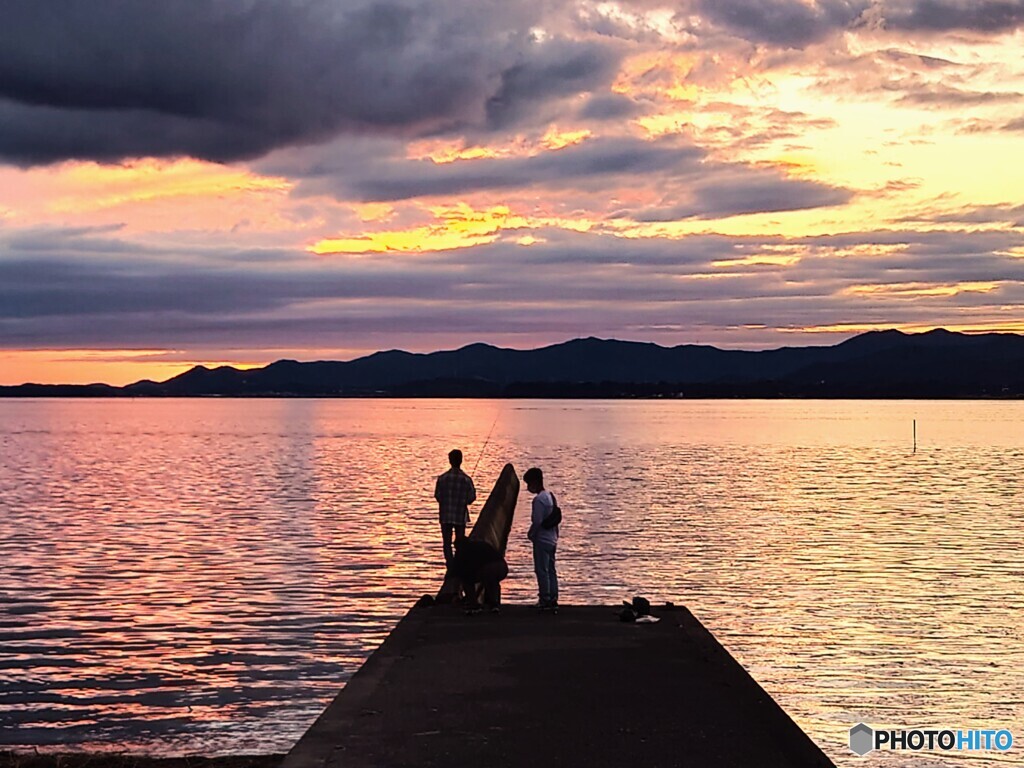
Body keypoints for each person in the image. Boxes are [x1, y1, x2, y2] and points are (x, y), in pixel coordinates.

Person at [524, 466, 558, 613]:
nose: (528, 488)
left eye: (528, 484)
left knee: (541, 570)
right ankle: (553, 598)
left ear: (535, 482)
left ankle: (544, 598)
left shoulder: (538, 500)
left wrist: (531, 534)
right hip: (552, 539)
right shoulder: (550, 496)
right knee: (551, 569)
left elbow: (537, 521)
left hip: (542, 539)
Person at [434, 449, 476, 567]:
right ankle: (459, 564)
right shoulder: (466, 479)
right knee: (460, 543)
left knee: (447, 543)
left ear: (450, 461)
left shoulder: (442, 478)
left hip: (445, 516)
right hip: (460, 516)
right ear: (461, 461)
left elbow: (438, 496)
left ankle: (450, 565)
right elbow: (471, 498)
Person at [449, 538, 508, 614]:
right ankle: (494, 604)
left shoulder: (462, 551)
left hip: (488, 569)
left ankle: (473, 604)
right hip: (502, 567)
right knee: (492, 582)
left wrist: (455, 594)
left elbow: (456, 573)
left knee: (467, 580)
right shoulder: (482, 544)